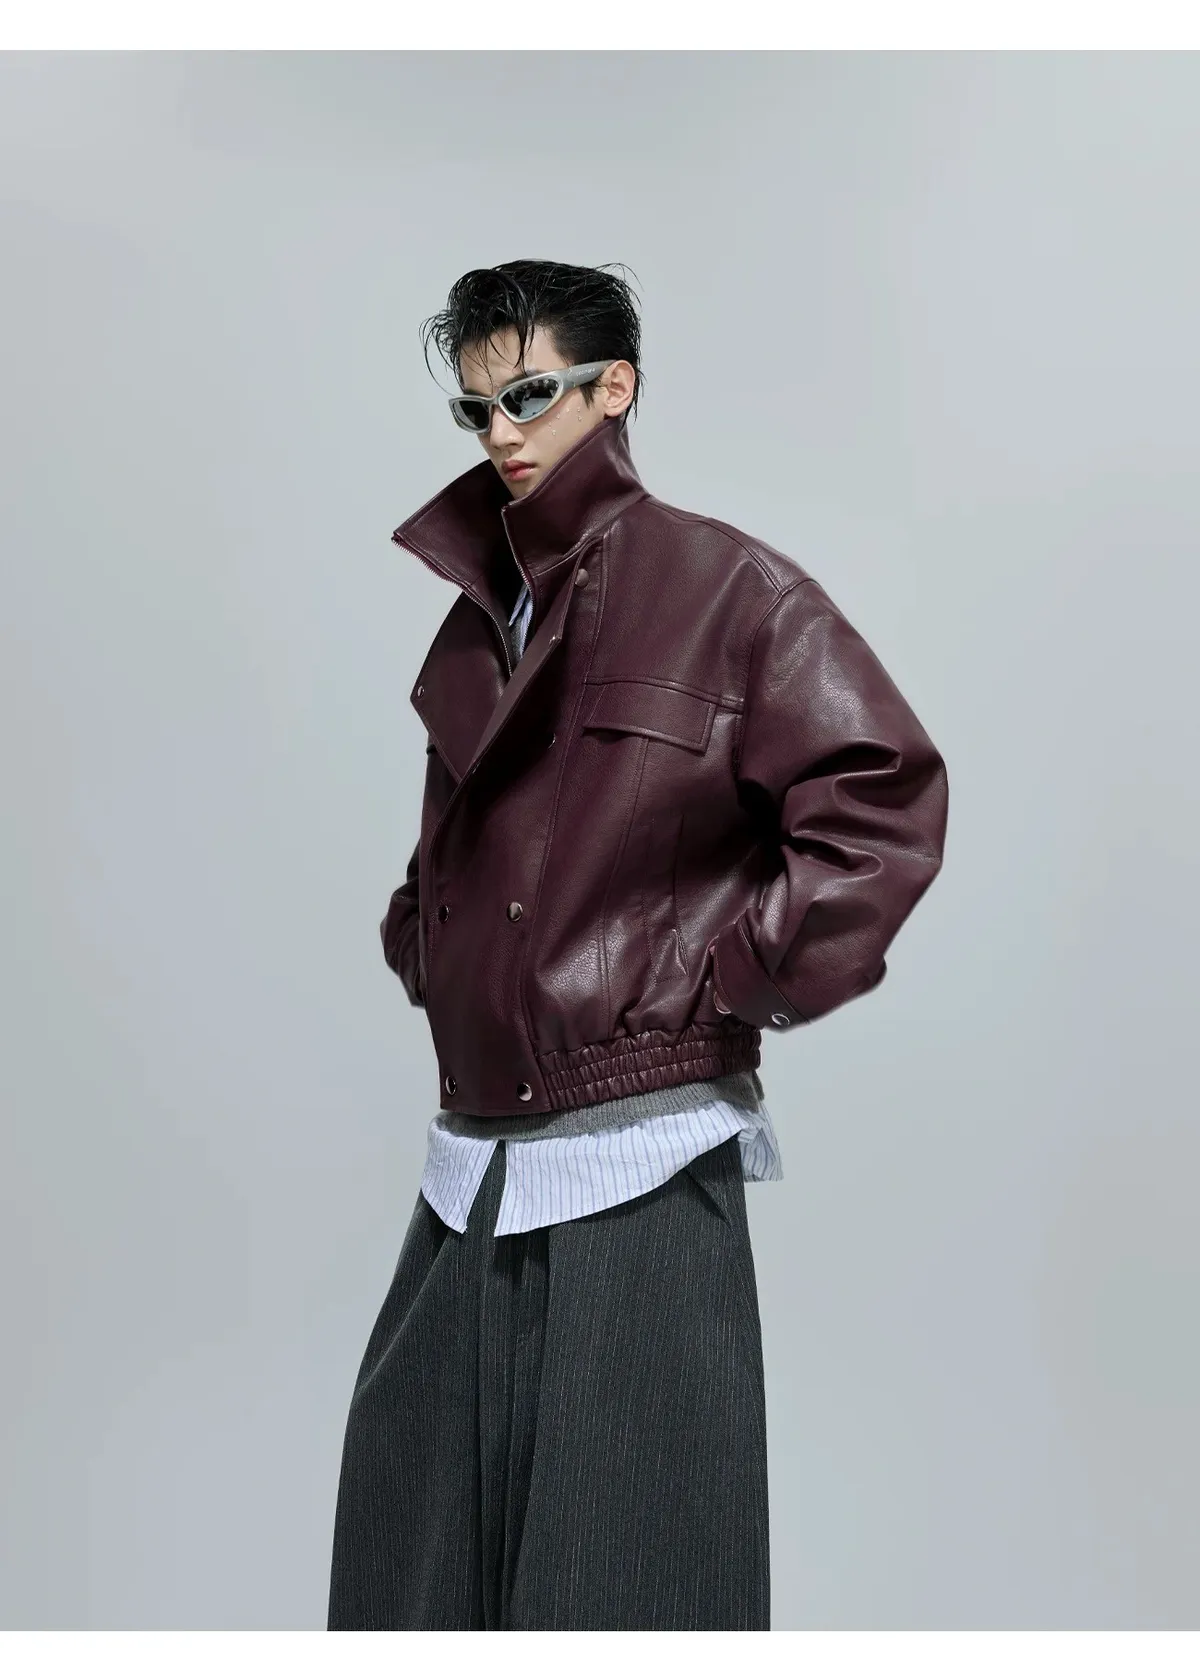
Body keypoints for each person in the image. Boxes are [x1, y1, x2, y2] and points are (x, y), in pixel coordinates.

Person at [326, 259, 949, 1631]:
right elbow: (477, 841)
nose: (501, 433)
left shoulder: (727, 590)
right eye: (477, 407)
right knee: (411, 1579)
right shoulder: (485, 609)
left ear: (616, 388)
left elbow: (880, 800)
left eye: (531, 395)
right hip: (472, 1164)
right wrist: (425, 937)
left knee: (632, 1586)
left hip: (639, 1159)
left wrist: (728, 979)